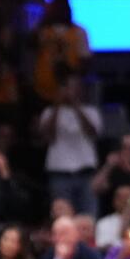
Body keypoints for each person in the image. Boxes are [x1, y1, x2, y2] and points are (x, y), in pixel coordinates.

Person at [37, 75, 102, 216]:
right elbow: (46, 136)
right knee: (62, 216)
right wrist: (57, 105)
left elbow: (93, 132)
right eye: (68, 88)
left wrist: (76, 106)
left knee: (88, 215)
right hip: (60, 173)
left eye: (75, 88)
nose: (71, 91)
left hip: (86, 172)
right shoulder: (49, 112)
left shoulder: (91, 112)